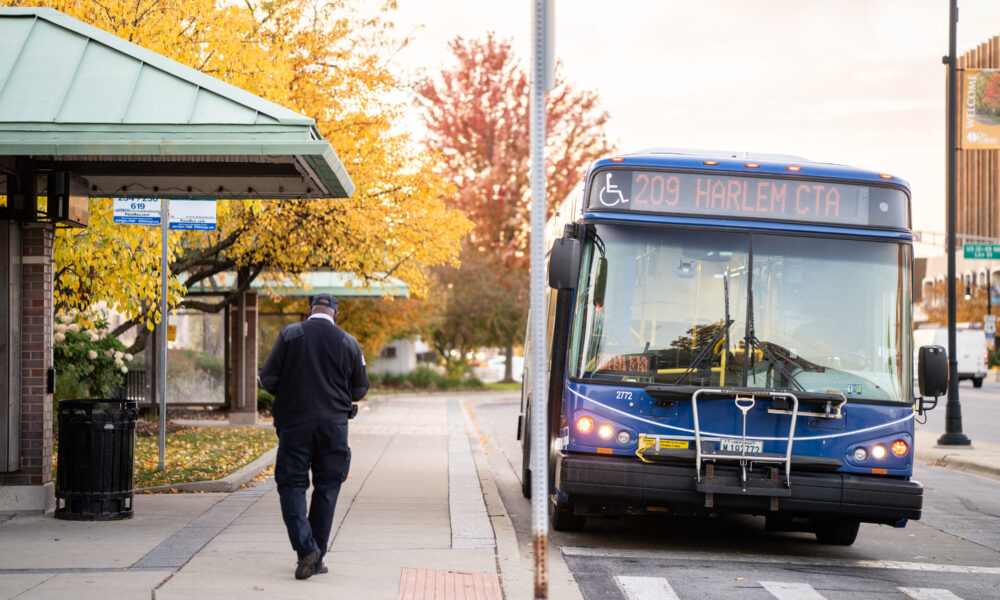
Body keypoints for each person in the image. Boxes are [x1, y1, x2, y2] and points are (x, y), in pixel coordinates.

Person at [258, 293, 369, 580]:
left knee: (292, 485)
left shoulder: (290, 334)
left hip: (295, 424)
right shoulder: (348, 342)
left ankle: (307, 550)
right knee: (327, 487)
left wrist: (291, 387)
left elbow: (268, 380)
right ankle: (316, 557)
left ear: (309, 311)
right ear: (336, 314)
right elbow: (359, 390)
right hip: (333, 426)